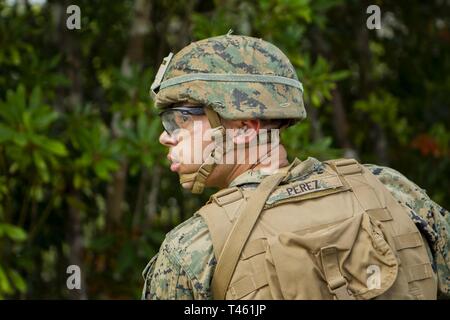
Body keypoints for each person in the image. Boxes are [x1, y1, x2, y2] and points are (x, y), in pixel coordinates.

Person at [141, 34, 449, 300]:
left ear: (246, 128)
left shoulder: (194, 249)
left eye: (179, 119)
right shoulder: (389, 190)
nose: (165, 137)